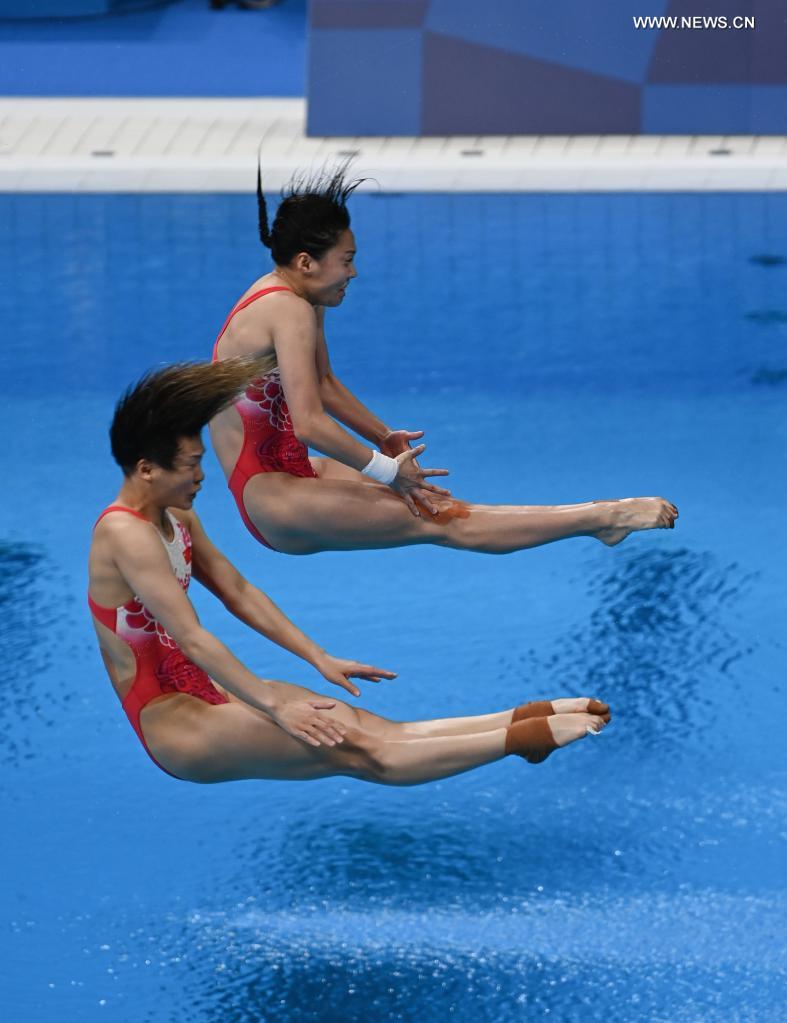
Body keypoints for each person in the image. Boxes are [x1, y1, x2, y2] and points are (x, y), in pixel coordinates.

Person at [88, 361, 611, 784]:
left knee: (364, 726)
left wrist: (318, 657)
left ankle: (517, 721)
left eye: (202, 461)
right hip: (172, 724)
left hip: (207, 692)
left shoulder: (176, 515)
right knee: (358, 752)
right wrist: (274, 705)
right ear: (146, 469)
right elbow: (193, 636)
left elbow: (238, 591)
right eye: (190, 466)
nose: (203, 476)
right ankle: (518, 741)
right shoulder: (124, 533)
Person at [209, 167, 679, 555]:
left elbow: (324, 382)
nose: (353, 272)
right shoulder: (285, 308)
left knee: (438, 504)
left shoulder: (298, 297)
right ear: (307, 261)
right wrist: (385, 470)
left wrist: (382, 437)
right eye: (346, 260)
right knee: (444, 521)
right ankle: (605, 516)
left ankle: (598, 520)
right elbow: (309, 421)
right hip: (271, 496)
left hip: (288, 471)